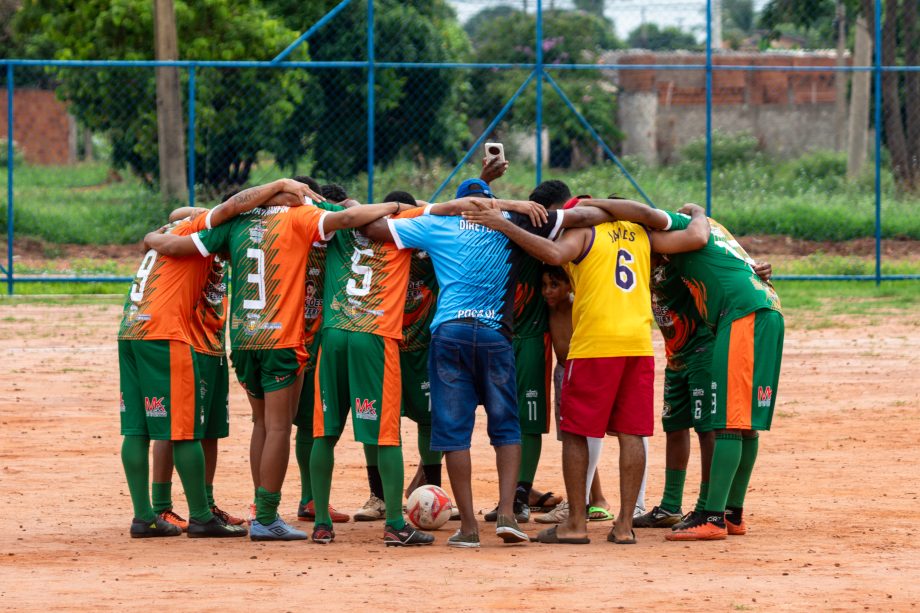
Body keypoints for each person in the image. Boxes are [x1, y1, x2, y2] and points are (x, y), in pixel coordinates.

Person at [145, 179, 400, 541]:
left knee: (261, 423)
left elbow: (183, 220)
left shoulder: (235, 222)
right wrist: (392, 207)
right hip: (282, 338)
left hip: (243, 339)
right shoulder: (301, 217)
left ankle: (257, 506)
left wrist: (153, 238)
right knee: (281, 427)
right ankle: (266, 515)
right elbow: (350, 217)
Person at [460, 197, 710, 544]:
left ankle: (576, 521)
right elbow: (696, 238)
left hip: (595, 345)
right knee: (631, 433)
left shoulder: (585, 233)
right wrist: (698, 213)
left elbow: (552, 254)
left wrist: (504, 224)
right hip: (637, 343)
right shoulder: (640, 233)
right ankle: (624, 525)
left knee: (577, 432)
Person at [385, 192, 614, 548]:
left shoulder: (437, 224)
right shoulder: (514, 223)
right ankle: (508, 514)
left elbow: (377, 228)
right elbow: (582, 216)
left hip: (451, 333)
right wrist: (514, 207)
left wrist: (434, 209)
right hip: (496, 336)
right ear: (493, 202)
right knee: (507, 427)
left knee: (454, 433)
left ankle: (470, 528)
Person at [119, 179, 313, 539]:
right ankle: (194, 515)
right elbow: (225, 209)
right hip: (170, 331)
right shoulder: (213, 225)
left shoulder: (185, 225)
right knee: (180, 427)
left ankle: (158, 514)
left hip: (138, 327)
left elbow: (180, 213)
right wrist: (281, 186)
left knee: (143, 426)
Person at [663, 217, 784, 541]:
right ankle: (730, 513)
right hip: (752, 316)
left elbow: (700, 238)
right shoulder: (697, 246)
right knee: (741, 422)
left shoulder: (683, 247)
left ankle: (712, 515)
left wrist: (697, 211)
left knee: (728, 422)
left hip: (724, 333)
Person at [463, 173, 563, 524]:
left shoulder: (555, 242)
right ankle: (517, 495)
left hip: (531, 339)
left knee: (529, 421)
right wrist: (491, 184)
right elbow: (466, 206)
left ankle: (520, 495)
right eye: (548, 214)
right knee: (502, 420)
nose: (552, 222)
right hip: (496, 335)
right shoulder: (508, 226)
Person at [150, 196, 244, 532]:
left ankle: (205, 504)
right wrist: (208, 213)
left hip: (214, 344)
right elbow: (177, 213)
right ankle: (161, 506)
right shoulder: (209, 227)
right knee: (173, 427)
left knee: (210, 430)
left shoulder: (237, 234)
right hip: (187, 340)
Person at [292, 179, 350, 525]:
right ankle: (308, 499)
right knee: (309, 426)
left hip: (298, 339)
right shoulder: (300, 229)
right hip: (304, 341)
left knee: (304, 425)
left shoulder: (325, 233)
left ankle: (308, 498)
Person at [534, 265, 612, 524]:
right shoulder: (546, 307)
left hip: (582, 370)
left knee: (584, 437)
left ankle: (595, 499)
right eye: (544, 286)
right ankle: (592, 497)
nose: (548, 291)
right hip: (561, 372)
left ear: (569, 285)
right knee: (573, 439)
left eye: (554, 285)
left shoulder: (575, 305)